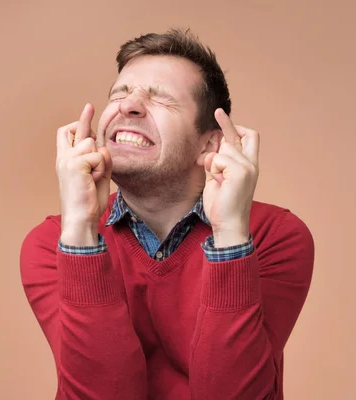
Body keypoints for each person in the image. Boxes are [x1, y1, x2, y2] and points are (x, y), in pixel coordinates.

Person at [20, 28, 315, 400]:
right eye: (120, 94)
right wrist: (80, 230)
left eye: (162, 100)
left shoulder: (274, 235)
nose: (129, 106)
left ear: (209, 143)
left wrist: (230, 239)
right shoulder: (51, 243)